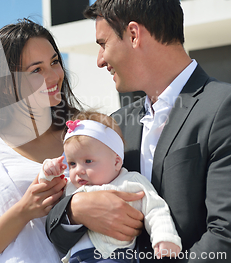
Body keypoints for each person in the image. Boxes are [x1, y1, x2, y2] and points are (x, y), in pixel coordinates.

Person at [46, 0, 231, 262]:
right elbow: (55, 224)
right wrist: (77, 209)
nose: (100, 59)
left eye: (103, 43)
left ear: (133, 34)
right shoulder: (115, 125)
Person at [0, 19, 81, 263]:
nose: (54, 76)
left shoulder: (82, 133)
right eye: (36, 70)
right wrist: (23, 211)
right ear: (7, 86)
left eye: (54, 62)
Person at [39, 111, 181, 263]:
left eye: (88, 161)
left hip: (114, 256)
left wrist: (164, 237)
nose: (78, 170)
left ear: (116, 162)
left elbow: (155, 209)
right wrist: (49, 172)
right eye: (72, 163)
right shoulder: (72, 188)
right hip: (76, 258)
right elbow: (49, 194)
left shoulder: (131, 182)